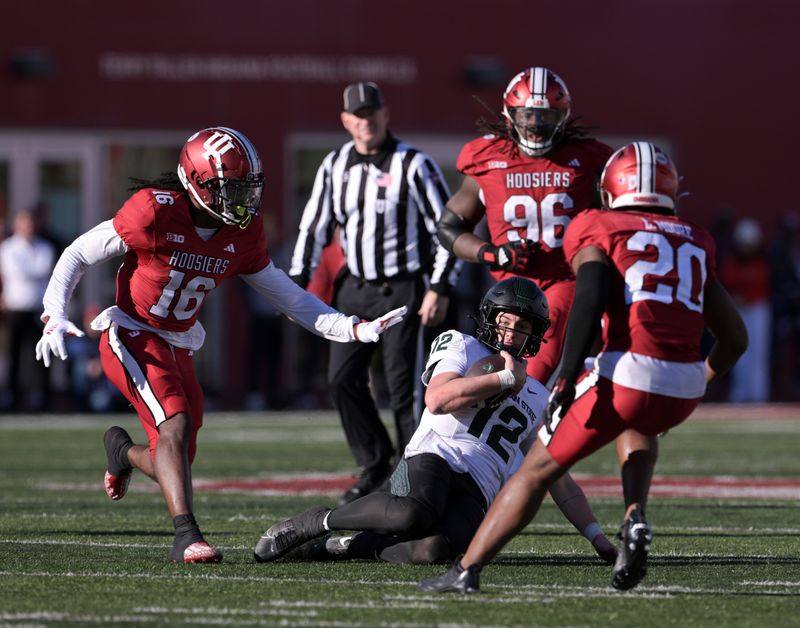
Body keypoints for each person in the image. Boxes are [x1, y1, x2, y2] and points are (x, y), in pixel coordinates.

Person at [34, 126, 407, 564]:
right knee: (174, 425)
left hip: (179, 341)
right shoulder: (154, 213)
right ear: (196, 182)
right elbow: (78, 252)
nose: (242, 200)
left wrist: (352, 329)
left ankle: (122, 451)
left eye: (247, 188)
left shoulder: (243, 236)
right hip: (132, 332)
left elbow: (289, 296)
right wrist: (54, 313)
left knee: (176, 456)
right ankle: (186, 537)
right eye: (230, 189)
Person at [418, 142, 748, 593]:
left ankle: (466, 570)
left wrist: (568, 377)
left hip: (628, 372)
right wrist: (702, 380)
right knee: (639, 424)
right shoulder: (695, 237)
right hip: (684, 382)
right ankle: (634, 516)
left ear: (611, 188)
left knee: (536, 470)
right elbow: (736, 338)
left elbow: (588, 300)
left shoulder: (598, 224)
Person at [253, 276, 617, 566]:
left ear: (535, 335)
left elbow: (558, 478)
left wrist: (596, 536)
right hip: (435, 457)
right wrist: (503, 379)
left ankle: (341, 546)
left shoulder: (538, 395)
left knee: (432, 550)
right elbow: (438, 399)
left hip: (478, 487)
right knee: (411, 514)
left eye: (521, 327)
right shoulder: (461, 344)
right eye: (503, 321)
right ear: (488, 317)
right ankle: (318, 521)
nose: (509, 334)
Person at [289, 82, 462, 504]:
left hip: (404, 288)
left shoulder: (413, 164)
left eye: (372, 113)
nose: (366, 122)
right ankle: (374, 463)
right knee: (342, 379)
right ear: (346, 120)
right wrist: (294, 284)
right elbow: (314, 225)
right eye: (357, 115)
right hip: (355, 288)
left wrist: (439, 286)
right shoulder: (334, 165)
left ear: (385, 115)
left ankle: (409, 482)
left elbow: (448, 229)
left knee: (406, 390)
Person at [437, 66, 612, 386]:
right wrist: (492, 253)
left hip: (564, 279)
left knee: (534, 371)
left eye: (545, 117)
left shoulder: (588, 159)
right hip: (506, 287)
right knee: (497, 367)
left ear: (563, 117)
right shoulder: (487, 156)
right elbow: (449, 228)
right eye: (527, 115)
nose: (535, 126)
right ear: (509, 114)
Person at [0, 208, 57, 410]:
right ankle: (13, 396)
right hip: (16, 308)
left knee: (40, 354)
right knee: (14, 354)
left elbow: (43, 270)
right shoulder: (7, 248)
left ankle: (41, 396)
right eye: (24, 223)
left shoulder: (45, 247)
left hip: (38, 309)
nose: (28, 227)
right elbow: (17, 273)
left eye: (30, 223)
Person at [719, 218, 772, 402]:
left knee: (759, 352)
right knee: (739, 352)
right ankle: (740, 394)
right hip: (738, 311)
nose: (747, 248)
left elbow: (763, 285)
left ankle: (758, 394)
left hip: (758, 309)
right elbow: (727, 284)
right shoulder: (732, 261)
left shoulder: (763, 261)